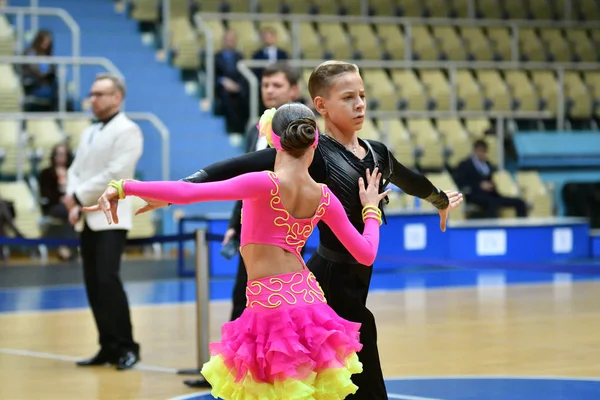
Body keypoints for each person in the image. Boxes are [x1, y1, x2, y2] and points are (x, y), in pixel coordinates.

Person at [102, 60, 463, 398]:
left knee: (319, 377)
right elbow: (230, 168)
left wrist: (439, 201)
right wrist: (168, 192)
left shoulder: (375, 153)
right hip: (326, 278)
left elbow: (409, 179)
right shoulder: (313, 153)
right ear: (320, 106)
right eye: (349, 97)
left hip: (344, 278)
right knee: (347, 369)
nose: (360, 105)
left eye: (363, 96)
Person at [84, 103, 393, 399]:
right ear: (314, 145)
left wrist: (124, 187)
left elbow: (191, 192)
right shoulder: (324, 196)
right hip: (308, 302)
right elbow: (366, 253)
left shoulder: (265, 183)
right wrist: (370, 210)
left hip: (274, 309)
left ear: (274, 142)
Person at [64, 74, 143, 370]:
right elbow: (76, 169)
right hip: (87, 217)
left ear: (116, 98)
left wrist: (76, 193)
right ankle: (107, 346)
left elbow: (117, 171)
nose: (92, 98)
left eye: (99, 94)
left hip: (111, 217)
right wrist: (73, 195)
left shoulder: (129, 130)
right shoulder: (89, 132)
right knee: (93, 284)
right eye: (92, 93)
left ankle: (127, 346)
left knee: (108, 281)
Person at [223, 61, 300, 322]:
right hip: (251, 228)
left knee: (278, 303)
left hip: (282, 230)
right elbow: (244, 181)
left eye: (277, 85)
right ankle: (236, 360)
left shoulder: (305, 132)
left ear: (294, 90)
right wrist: (234, 224)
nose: (269, 90)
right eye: (265, 85)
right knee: (241, 297)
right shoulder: (253, 129)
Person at [456, 139, 527, 218]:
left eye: (484, 151)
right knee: (492, 204)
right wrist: (479, 185)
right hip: (474, 195)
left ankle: (521, 226)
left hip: (491, 195)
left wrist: (491, 185)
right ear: (475, 151)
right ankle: (493, 227)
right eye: (480, 151)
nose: (482, 154)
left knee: (519, 202)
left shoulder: (488, 165)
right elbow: (461, 183)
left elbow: (492, 180)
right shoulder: (465, 165)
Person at [38, 142, 76, 260]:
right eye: (58, 154)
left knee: (77, 211)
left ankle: (77, 247)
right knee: (68, 212)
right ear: (54, 156)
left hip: (72, 203)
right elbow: (45, 193)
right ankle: (65, 248)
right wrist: (60, 198)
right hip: (53, 205)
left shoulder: (73, 172)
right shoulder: (46, 173)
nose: (61, 157)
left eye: (64, 154)